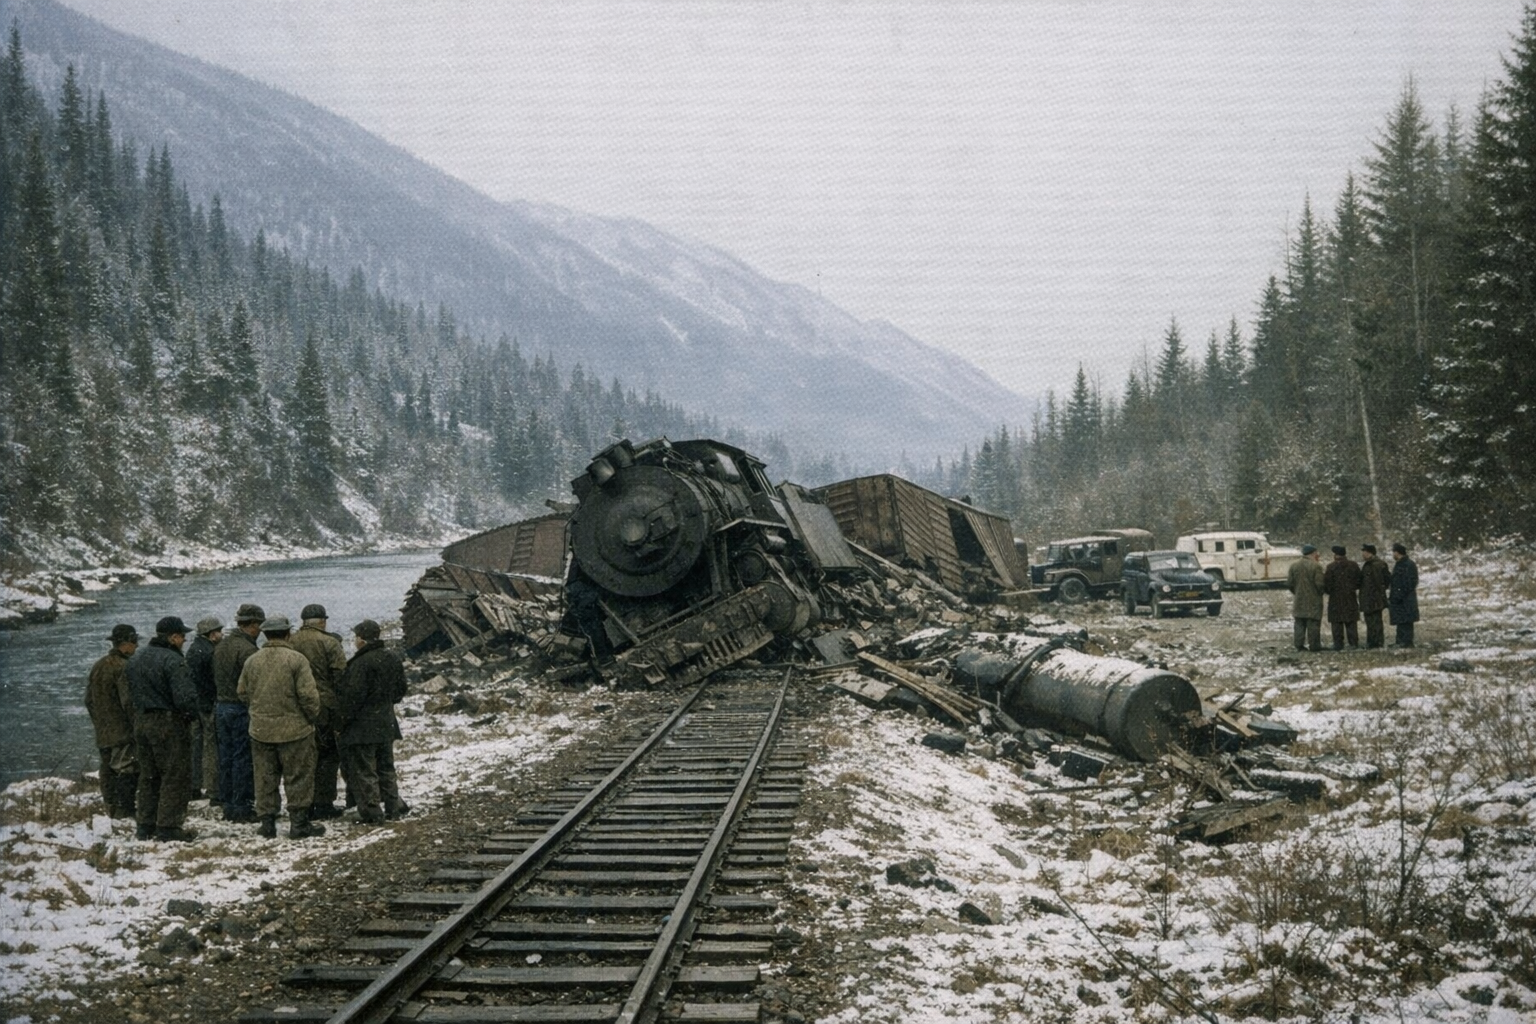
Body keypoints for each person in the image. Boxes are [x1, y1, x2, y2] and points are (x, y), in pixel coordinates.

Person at [238, 614, 326, 839]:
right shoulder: (296, 659)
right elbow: (309, 696)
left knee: (265, 778)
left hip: (261, 730)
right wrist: (310, 718)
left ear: (265, 634)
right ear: (288, 633)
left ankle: (267, 823)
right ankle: (299, 824)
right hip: (295, 730)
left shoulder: (252, 660)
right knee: (298, 777)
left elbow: (242, 692)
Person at [126, 615, 200, 842]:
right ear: (173, 637)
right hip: (168, 723)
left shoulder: (136, 658)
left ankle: (145, 825)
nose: (185, 641)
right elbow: (185, 698)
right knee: (174, 774)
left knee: (149, 775)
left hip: (142, 721)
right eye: (183, 637)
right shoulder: (172, 660)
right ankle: (168, 827)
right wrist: (193, 716)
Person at [334, 619, 411, 824]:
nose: (355, 641)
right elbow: (401, 689)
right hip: (386, 722)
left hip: (363, 727)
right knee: (386, 767)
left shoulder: (360, 664)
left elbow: (352, 699)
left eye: (356, 637)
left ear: (361, 639)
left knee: (365, 770)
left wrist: (341, 723)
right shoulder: (392, 658)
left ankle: (372, 811)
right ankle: (393, 807)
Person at [288, 603, 348, 820]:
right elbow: (341, 677)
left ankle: (302, 803)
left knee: (301, 757)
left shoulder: (290, 641)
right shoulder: (330, 642)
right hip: (324, 707)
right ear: (322, 621)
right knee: (327, 756)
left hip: (295, 708)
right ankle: (323, 803)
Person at [213, 603, 263, 822]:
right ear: (251, 625)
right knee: (243, 758)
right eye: (259, 625)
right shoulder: (248, 650)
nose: (260, 630)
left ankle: (228, 803)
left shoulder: (221, 645)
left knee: (226, 757)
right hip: (240, 707)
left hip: (221, 706)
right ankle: (242, 806)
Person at [85, 624, 140, 819]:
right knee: (126, 767)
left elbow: (88, 700)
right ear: (126, 644)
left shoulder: (99, 665)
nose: (137, 647)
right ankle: (125, 810)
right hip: (122, 729)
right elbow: (128, 702)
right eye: (135, 642)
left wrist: (99, 721)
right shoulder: (124, 667)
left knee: (107, 767)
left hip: (103, 728)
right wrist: (136, 726)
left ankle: (110, 806)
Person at [184, 616, 222, 802]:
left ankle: (193, 786)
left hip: (195, 704)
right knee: (211, 748)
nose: (221, 635)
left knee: (195, 746)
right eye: (219, 631)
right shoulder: (211, 652)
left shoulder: (192, 650)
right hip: (208, 704)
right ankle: (213, 789)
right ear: (212, 634)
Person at [1285, 544, 1326, 652]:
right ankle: (1314, 646)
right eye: (1316, 553)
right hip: (1313, 600)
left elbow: (1289, 583)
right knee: (1313, 623)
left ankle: (1299, 645)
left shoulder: (1294, 566)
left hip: (1299, 599)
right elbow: (1320, 584)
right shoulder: (1316, 566)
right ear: (1312, 553)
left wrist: (1297, 592)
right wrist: (1320, 593)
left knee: (1299, 623)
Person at [1322, 545, 1362, 650]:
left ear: (1336, 555)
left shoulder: (1331, 567)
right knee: (1351, 622)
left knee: (1336, 623)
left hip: (1335, 599)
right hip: (1350, 597)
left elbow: (1327, 585)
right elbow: (1359, 581)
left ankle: (1338, 644)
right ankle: (1353, 643)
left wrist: (1331, 591)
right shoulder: (1354, 565)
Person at [1358, 544, 1392, 649]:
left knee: (1374, 620)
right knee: (1373, 620)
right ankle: (1375, 642)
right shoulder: (1377, 564)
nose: (1363, 554)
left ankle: (1375, 642)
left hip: (1372, 597)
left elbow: (1386, 580)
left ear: (1370, 553)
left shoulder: (1373, 565)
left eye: (1364, 552)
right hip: (1374, 597)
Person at [1389, 543, 1420, 648]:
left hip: (1405, 599)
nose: (1393, 554)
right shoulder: (1401, 564)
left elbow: (1411, 582)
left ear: (1398, 552)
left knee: (1406, 621)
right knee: (1400, 621)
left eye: (1394, 552)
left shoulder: (1408, 564)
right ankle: (1400, 641)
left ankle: (1406, 642)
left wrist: (1399, 594)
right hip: (1400, 598)